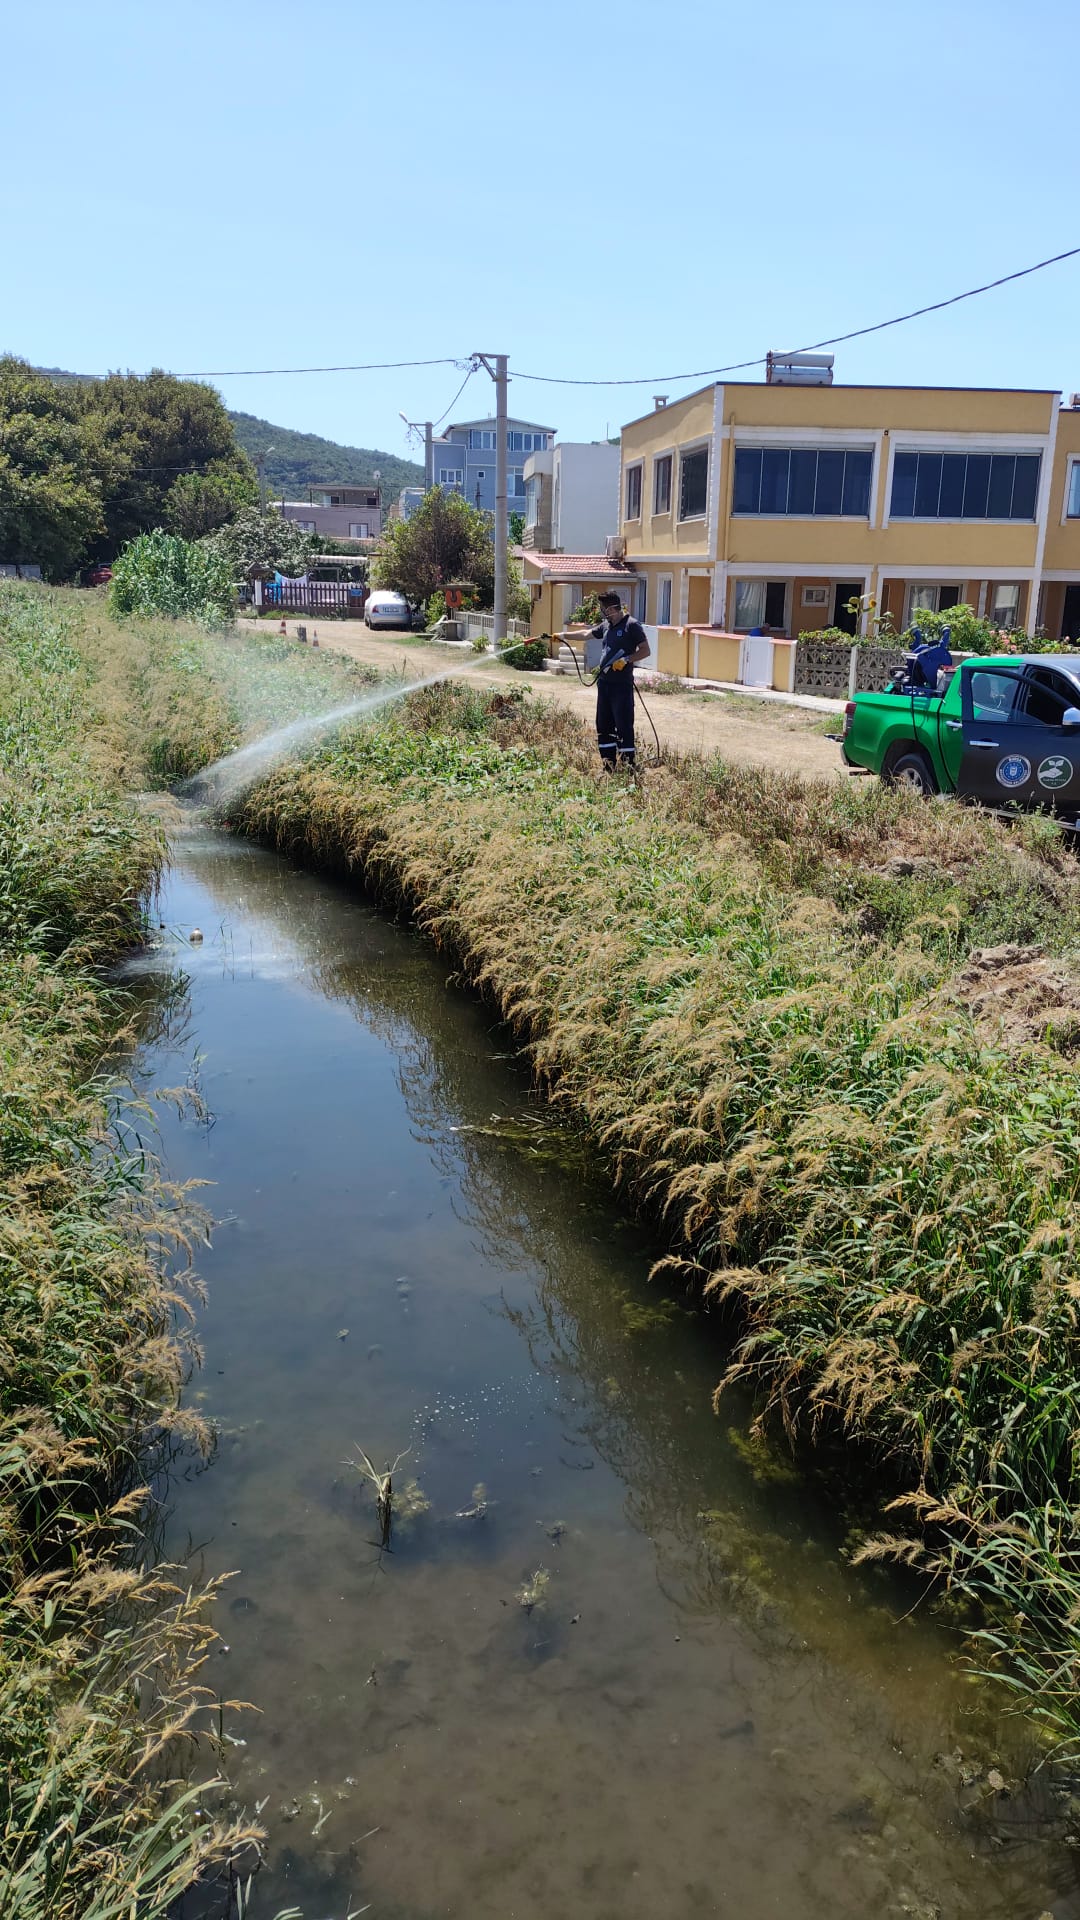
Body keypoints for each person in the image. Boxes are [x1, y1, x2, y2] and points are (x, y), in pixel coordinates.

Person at [589, 591, 651, 769]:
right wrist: (559, 635)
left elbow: (645, 650)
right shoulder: (607, 626)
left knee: (623, 724)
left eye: (603, 609)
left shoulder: (631, 626)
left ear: (610, 609)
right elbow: (586, 634)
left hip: (621, 686)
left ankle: (628, 765)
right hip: (605, 684)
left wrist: (626, 660)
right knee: (604, 724)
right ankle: (608, 764)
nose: (602, 612)